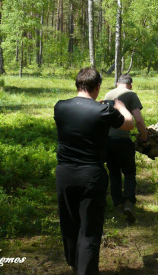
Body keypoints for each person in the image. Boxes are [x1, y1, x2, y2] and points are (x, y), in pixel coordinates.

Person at [54, 68, 133, 275]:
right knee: (89, 229)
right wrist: (121, 107)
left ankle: (74, 264)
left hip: (64, 173)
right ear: (97, 87)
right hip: (91, 174)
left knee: (69, 224)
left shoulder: (60, 107)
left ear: (77, 84)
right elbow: (129, 124)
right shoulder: (104, 111)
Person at [104, 74, 148, 223]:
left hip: (107, 140)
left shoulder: (108, 94)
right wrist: (144, 138)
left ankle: (117, 203)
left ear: (117, 84)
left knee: (114, 172)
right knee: (129, 172)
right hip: (123, 140)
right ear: (131, 84)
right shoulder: (131, 95)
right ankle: (129, 202)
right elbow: (139, 119)